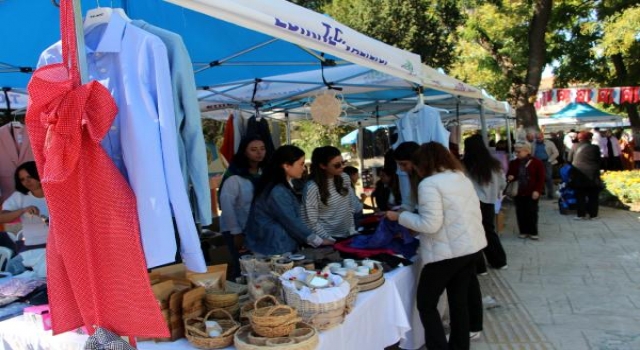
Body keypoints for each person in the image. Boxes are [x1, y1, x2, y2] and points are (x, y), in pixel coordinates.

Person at [385, 142, 487, 350]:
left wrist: (400, 216)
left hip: (447, 253)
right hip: (470, 249)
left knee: (426, 303)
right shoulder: (460, 177)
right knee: (458, 303)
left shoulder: (429, 184)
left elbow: (430, 225)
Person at [244, 145, 333, 255]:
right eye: (301, 164)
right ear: (286, 166)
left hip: (275, 245)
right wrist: (318, 240)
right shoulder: (277, 191)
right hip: (274, 249)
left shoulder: (278, 186)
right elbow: (291, 221)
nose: (304, 168)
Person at [218, 136, 266, 278]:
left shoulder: (262, 173)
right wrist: (236, 233)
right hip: (237, 229)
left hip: (256, 226)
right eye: (254, 150)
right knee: (244, 266)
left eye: (262, 149)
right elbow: (227, 206)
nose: (259, 153)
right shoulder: (234, 177)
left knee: (258, 265)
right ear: (244, 152)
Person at [462, 134, 508, 272]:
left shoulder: (467, 164)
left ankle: (480, 267)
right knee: (489, 231)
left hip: (472, 203)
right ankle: (499, 261)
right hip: (489, 202)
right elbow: (502, 183)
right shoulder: (494, 164)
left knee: (474, 234)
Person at [302, 146, 357, 239]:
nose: (342, 167)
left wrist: (351, 229)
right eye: (337, 165)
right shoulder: (312, 188)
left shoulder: (345, 178)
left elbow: (350, 206)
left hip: (348, 235)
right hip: (328, 240)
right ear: (323, 166)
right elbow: (310, 221)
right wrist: (329, 239)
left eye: (343, 163)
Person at [0, 161, 49, 252]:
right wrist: (22, 210)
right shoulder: (19, 197)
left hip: (56, 245)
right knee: (13, 265)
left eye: (29, 177)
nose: (27, 182)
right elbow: (2, 218)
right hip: (32, 247)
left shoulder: (56, 195)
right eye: (22, 179)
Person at [507, 143, 545, 240]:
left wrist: (537, 190)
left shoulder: (537, 162)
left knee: (532, 212)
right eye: (515, 151)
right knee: (520, 212)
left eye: (519, 152)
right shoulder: (514, 163)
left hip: (532, 191)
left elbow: (540, 178)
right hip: (518, 191)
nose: (517, 154)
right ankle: (523, 231)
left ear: (527, 151)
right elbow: (510, 174)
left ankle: (533, 232)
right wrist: (510, 177)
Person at [567, 132, 602, 220]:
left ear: (579, 138)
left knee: (580, 195)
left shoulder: (574, 146)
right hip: (592, 174)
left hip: (579, 174)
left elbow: (569, 159)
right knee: (593, 196)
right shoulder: (595, 147)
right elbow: (599, 160)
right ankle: (593, 215)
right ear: (590, 139)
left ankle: (581, 214)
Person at [527, 131, 559, 199]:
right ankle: (540, 191)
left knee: (548, 177)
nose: (538, 139)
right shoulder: (533, 144)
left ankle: (550, 194)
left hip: (547, 161)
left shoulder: (549, 143)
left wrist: (550, 160)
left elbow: (556, 153)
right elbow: (530, 153)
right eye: (537, 138)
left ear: (543, 137)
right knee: (538, 177)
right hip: (536, 162)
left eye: (540, 138)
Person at [392, 141, 420, 211]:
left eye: (404, 164)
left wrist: (399, 216)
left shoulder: (428, 181)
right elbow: (410, 202)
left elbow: (429, 220)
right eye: (399, 165)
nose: (401, 169)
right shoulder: (415, 177)